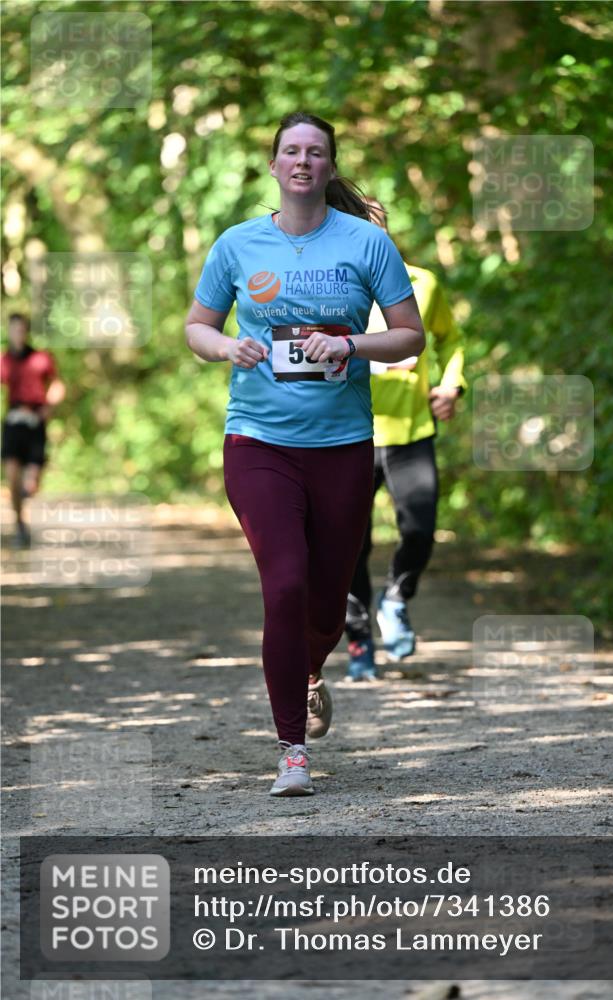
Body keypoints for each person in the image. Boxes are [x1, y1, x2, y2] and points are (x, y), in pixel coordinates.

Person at [184, 112, 425, 797]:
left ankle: (311, 669)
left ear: (328, 167)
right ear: (272, 165)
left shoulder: (366, 243)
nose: (301, 161)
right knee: (283, 583)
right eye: (289, 150)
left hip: (342, 446)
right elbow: (197, 325)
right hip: (257, 439)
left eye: (314, 152)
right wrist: (228, 347)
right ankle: (291, 748)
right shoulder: (237, 245)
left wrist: (349, 344)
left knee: (324, 600)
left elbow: (409, 337)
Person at [345, 199, 466, 680]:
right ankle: (359, 643)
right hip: (349, 430)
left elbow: (451, 340)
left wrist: (452, 384)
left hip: (411, 430)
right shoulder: (328, 290)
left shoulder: (422, 283)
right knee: (350, 544)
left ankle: (395, 599)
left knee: (419, 529)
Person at [1, 313, 66, 548]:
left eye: (21, 330)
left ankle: (27, 494)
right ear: (9, 332)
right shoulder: (4, 361)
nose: (17, 334)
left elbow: (57, 385)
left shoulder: (41, 358)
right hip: (13, 421)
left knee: (31, 483)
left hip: (36, 422)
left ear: (26, 331)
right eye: (14, 330)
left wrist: (49, 407)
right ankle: (20, 524)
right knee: (12, 477)